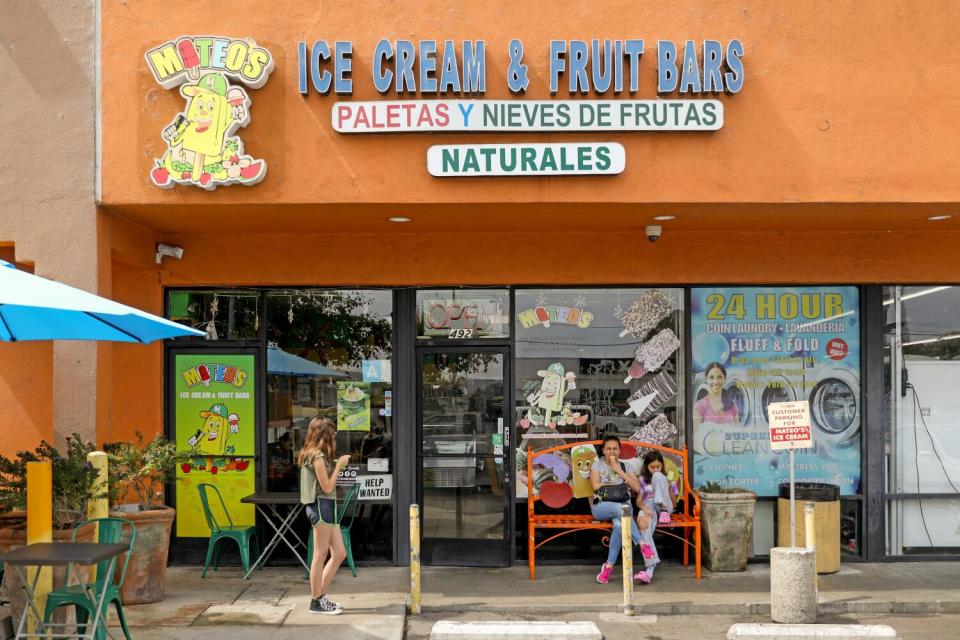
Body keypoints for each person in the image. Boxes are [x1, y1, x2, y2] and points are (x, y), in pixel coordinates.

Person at [299, 417, 351, 615]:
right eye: (332, 433)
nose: (334, 437)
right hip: (320, 506)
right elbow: (327, 487)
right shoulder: (317, 457)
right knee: (319, 555)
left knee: (339, 553)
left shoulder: (315, 455)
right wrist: (339, 466)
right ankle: (315, 601)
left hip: (327, 507)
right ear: (324, 434)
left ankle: (320, 596)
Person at [590, 434, 642, 584]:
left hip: (623, 508)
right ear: (603, 451)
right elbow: (595, 486)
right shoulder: (597, 465)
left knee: (619, 526)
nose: (611, 452)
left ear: (620, 451)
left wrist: (618, 470)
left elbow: (637, 488)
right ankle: (641, 542)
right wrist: (620, 487)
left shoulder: (626, 467)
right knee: (622, 508)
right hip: (602, 505)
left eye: (615, 449)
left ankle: (608, 567)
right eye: (608, 449)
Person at [633, 450, 676, 584]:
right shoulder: (642, 480)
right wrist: (645, 509)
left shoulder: (666, 478)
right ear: (646, 466)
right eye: (652, 467)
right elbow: (639, 502)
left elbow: (674, 504)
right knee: (642, 524)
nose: (656, 469)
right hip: (649, 506)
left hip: (665, 508)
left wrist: (668, 488)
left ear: (662, 465)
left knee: (658, 477)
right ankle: (649, 570)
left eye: (658, 466)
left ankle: (662, 508)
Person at [693, 362, 740, 428]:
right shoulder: (699, 407)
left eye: (719, 377)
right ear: (707, 379)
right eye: (711, 377)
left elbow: (737, 432)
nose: (715, 382)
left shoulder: (733, 406)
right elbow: (695, 436)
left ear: (724, 378)